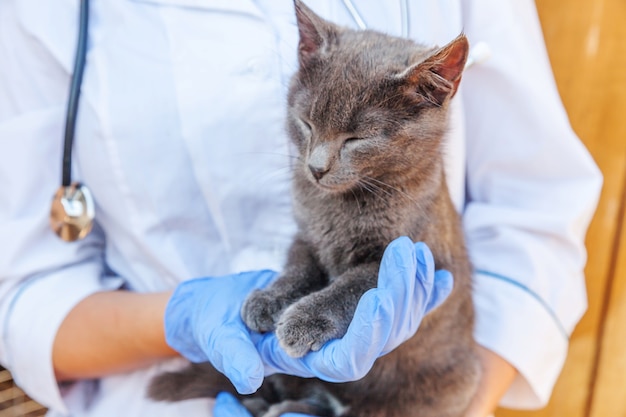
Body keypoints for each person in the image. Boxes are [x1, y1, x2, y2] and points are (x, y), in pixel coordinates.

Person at [0, 1, 602, 416]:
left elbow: (536, 206)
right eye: (308, 129)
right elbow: (27, 291)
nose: (316, 163)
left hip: (418, 392)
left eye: (349, 142)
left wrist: (460, 405)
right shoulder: (42, 14)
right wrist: (180, 317)